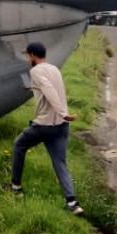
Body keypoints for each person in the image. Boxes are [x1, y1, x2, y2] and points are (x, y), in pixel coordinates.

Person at [10, 42, 84, 215]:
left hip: (45, 125)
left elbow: (49, 89)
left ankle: (16, 187)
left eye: (28, 56)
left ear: (33, 56)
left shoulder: (35, 71)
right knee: (60, 163)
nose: (28, 59)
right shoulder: (55, 69)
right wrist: (32, 87)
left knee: (19, 145)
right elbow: (49, 86)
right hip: (61, 127)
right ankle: (73, 203)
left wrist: (63, 112)